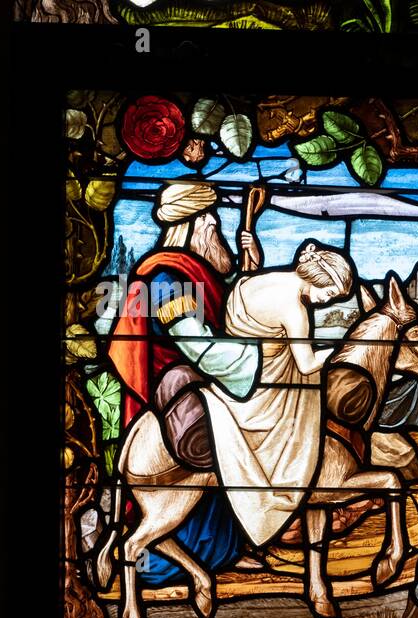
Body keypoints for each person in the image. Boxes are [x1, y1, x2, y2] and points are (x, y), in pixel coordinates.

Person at [104, 180, 264, 586]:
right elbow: (196, 344)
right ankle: (177, 557)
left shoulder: (192, 273)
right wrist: (260, 362)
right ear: (195, 224)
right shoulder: (165, 277)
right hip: (177, 392)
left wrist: (249, 265)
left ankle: (225, 552)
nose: (217, 228)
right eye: (212, 220)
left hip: (198, 382)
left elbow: (223, 316)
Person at [201, 242, 354, 548]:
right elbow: (308, 364)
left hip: (237, 368)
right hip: (260, 388)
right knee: (304, 407)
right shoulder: (294, 309)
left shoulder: (259, 278)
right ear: (318, 278)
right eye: (329, 294)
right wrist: (341, 350)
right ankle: (283, 489)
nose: (325, 301)